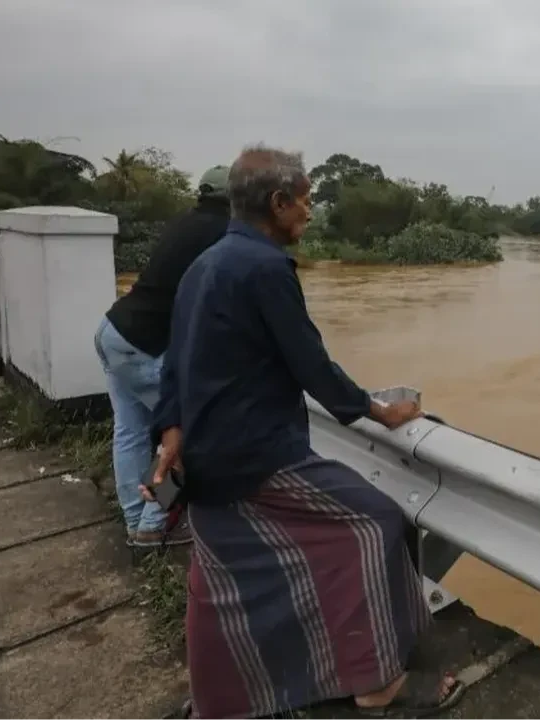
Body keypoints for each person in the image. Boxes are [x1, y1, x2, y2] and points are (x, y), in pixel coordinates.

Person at [148, 145, 461, 719]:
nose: (311, 213)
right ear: (278, 202)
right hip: (253, 456)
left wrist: (169, 427)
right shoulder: (265, 268)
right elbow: (310, 365)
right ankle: (374, 684)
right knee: (376, 522)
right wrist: (378, 410)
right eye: (306, 201)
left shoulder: (206, 264)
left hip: (202, 460)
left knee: (223, 578)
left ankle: (216, 703)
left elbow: (176, 356)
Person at [94, 165, 231, 547]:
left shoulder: (184, 222)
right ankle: (154, 523)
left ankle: (136, 519)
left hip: (114, 330)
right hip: (146, 347)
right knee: (186, 431)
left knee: (130, 431)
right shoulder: (224, 233)